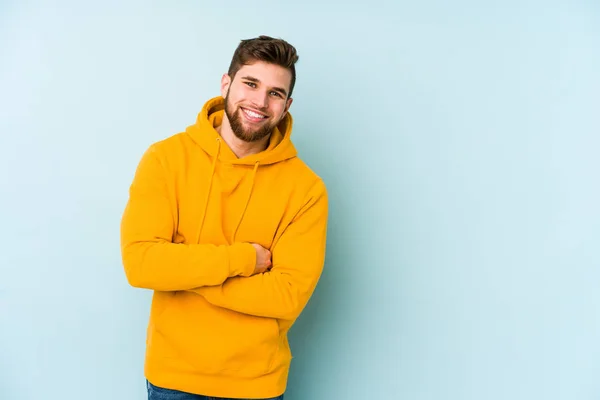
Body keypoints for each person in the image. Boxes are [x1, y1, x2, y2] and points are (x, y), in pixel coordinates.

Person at [120, 35, 329, 400]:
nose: (260, 102)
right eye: (251, 84)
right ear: (226, 84)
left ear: (287, 105)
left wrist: (184, 271)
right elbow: (141, 265)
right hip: (174, 381)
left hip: (257, 386)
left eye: (275, 93)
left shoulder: (306, 189)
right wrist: (245, 259)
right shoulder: (166, 160)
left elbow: (286, 295)